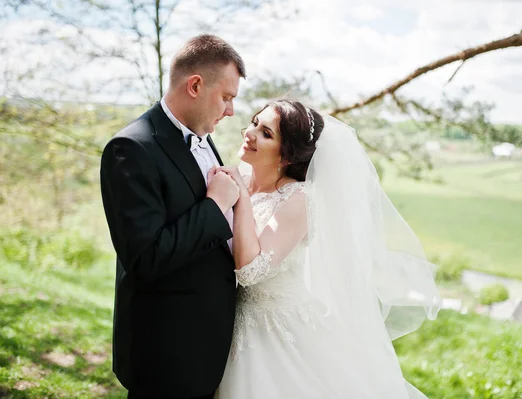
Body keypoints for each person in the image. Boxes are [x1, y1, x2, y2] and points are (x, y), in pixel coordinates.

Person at [214, 99, 441, 398]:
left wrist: (241, 198)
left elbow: (250, 270)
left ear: (286, 155)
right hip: (229, 324)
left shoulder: (298, 200)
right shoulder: (237, 181)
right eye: (256, 122)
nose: (251, 133)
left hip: (278, 332)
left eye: (266, 133)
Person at [100, 34, 245, 399]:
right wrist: (215, 207)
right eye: (226, 97)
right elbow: (146, 258)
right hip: (167, 354)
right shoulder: (131, 149)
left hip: (209, 347)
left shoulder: (203, 137)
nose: (230, 111)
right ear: (195, 85)